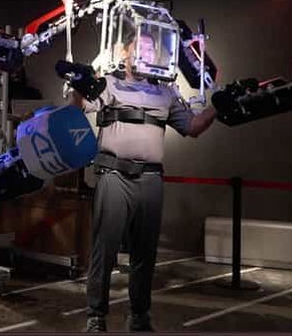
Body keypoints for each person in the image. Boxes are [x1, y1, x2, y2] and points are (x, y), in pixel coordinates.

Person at [72, 32, 217, 332]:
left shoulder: (165, 93)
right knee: (105, 250)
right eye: (141, 47)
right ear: (125, 52)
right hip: (113, 176)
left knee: (145, 253)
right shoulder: (110, 84)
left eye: (152, 49)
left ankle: (139, 316)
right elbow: (80, 106)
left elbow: (193, 126)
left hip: (150, 179)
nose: (147, 54)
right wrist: (78, 81)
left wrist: (219, 106)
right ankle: (96, 316)